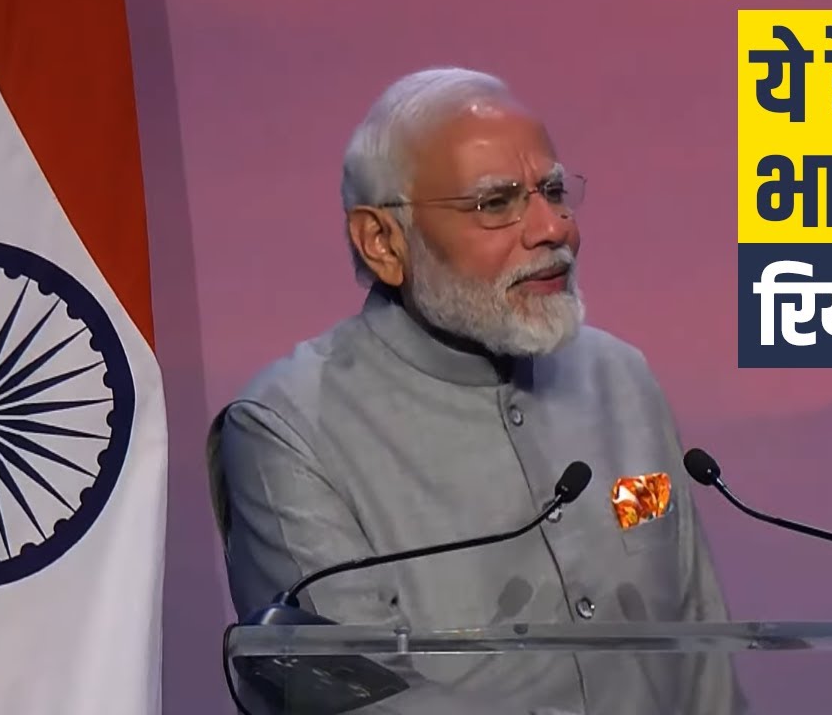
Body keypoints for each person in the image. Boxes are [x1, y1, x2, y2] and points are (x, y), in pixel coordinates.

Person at [207, 66, 743, 714]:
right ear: (382, 242)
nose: (552, 229)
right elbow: (362, 705)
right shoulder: (288, 428)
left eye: (553, 191)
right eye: (495, 203)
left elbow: (704, 663)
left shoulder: (623, 380)